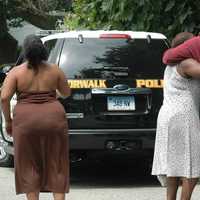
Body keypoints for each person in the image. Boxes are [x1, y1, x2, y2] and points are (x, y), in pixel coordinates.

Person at [1, 34, 71, 200]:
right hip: (54, 118)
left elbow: (4, 98)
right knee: (57, 163)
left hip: (25, 121)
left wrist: (8, 121)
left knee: (28, 164)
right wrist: (53, 94)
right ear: (43, 50)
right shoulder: (55, 70)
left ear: (25, 51)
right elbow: (66, 93)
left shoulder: (16, 72)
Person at [152, 32, 200, 200]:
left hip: (166, 115)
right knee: (192, 165)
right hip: (184, 115)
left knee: (173, 165)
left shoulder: (170, 65)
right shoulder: (187, 62)